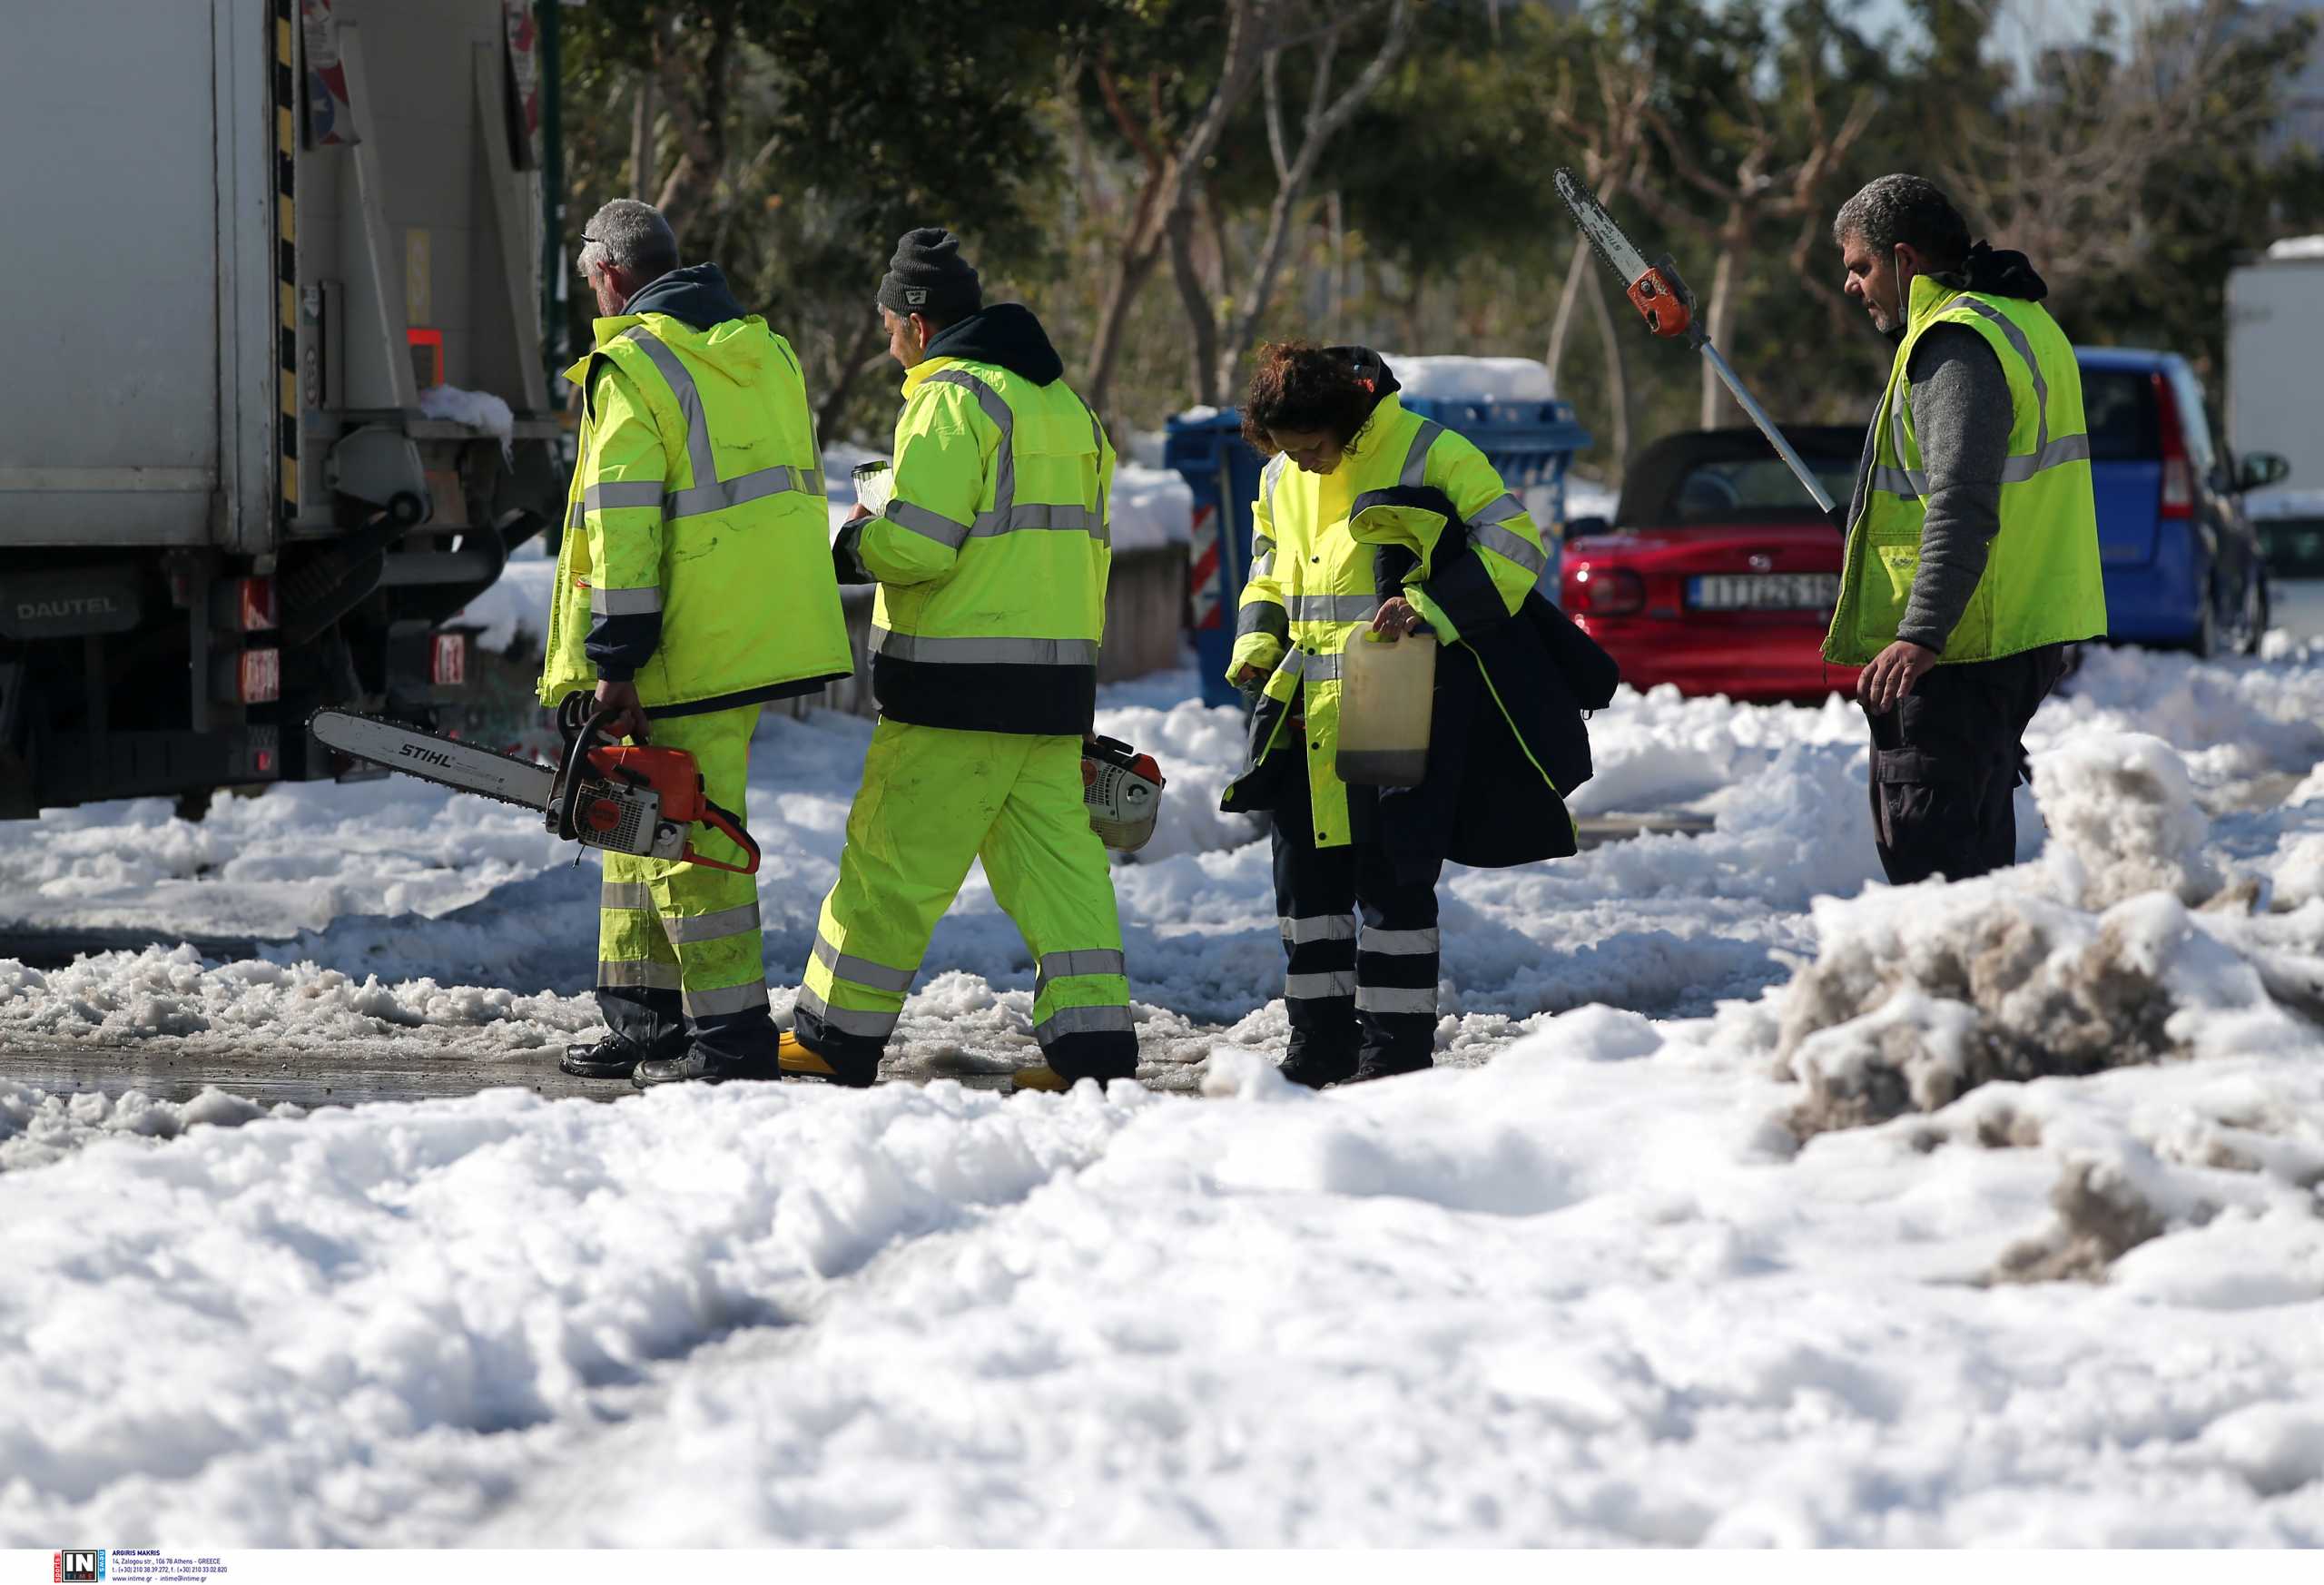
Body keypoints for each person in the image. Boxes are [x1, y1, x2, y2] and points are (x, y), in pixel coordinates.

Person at [781, 227, 1137, 1091]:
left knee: (889, 867)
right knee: (1062, 880)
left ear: (914, 320)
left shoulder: (950, 399)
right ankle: (1093, 1057)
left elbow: (924, 547)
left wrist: (859, 543)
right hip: (1051, 693)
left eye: (887, 321)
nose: (885, 338)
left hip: (954, 691)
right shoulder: (1064, 406)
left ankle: (833, 1039)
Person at [1223, 343, 1614, 1088]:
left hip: (1395, 699)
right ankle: (1316, 1048)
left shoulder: (1432, 449)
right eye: (1285, 452)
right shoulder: (1279, 473)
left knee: (1392, 882)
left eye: (1310, 449)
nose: (1301, 464)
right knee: (1306, 891)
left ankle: (1395, 1059)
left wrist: (1431, 609)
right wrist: (1256, 639)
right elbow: (1268, 566)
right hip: (1306, 705)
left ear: (1342, 421)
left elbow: (1514, 549)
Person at [542, 199, 852, 1088]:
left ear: (607, 274)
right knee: (637, 826)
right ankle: (643, 1023)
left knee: (690, 847)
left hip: (680, 647)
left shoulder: (632, 364)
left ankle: (730, 1041)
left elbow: (626, 524)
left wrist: (616, 662)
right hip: (751, 633)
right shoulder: (763, 352)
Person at [1823, 174, 2107, 885]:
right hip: (2009, 634)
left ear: (1905, 260)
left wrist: (1921, 633)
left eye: (1860, 266)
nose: (1853, 286)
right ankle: (1990, 994)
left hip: (1962, 647)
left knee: (1934, 871)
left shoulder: (1955, 345)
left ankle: (1951, 995)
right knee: (1979, 867)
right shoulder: (2021, 322)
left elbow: (1962, 500)